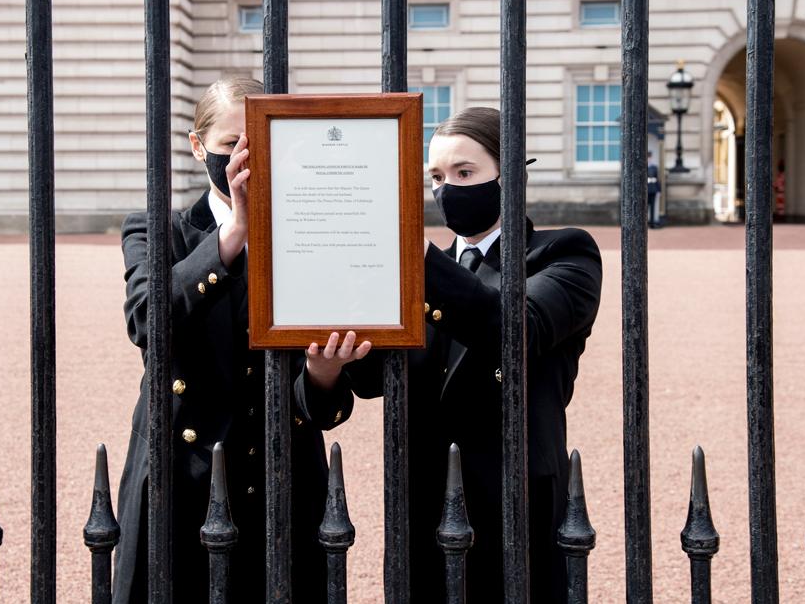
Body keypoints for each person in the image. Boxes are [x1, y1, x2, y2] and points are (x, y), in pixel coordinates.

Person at [111, 77, 372, 604]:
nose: (243, 159)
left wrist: (323, 375)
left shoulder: (317, 231)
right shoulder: (157, 229)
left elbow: (349, 382)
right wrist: (236, 234)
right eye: (231, 145)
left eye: (259, 144)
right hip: (179, 474)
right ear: (197, 145)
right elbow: (147, 323)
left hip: (280, 475)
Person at [350, 106, 602, 602]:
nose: (447, 190)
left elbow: (516, 328)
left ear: (509, 175)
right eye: (437, 177)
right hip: (423, 495)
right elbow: (373, 378)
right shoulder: (422, 265)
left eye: (465, 173)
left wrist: (415, 256)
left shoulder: (564, 253)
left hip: (513, 494)